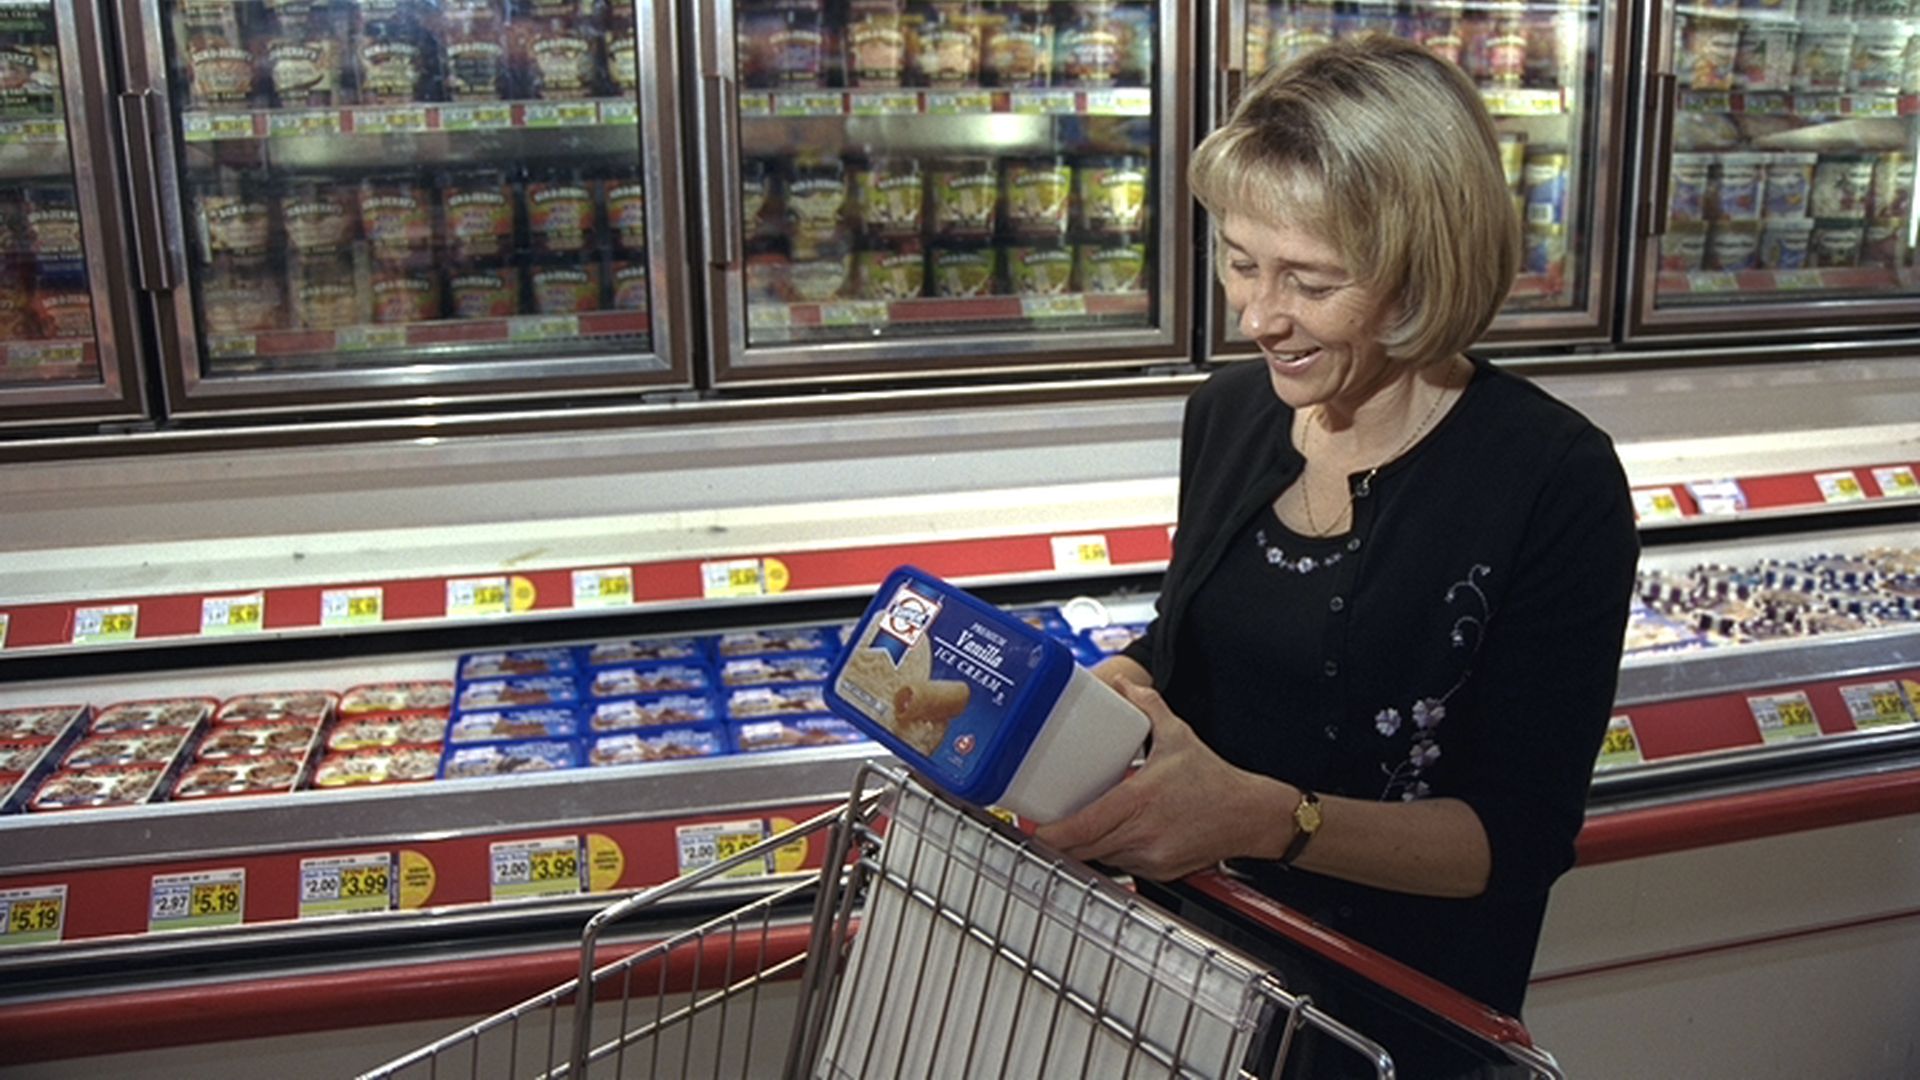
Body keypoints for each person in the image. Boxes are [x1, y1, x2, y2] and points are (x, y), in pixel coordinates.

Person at [1033, 34, 1639, 1028]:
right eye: (1240, 263)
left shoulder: (1549, 478)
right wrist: (1125, 687)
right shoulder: (1230, 413)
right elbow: (1194, 646)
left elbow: (1517, 839)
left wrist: (1272, 819)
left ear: (1421, 273)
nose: (1259, 317)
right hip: (1192, 985)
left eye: (1311, 284)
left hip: (1382, 1019)